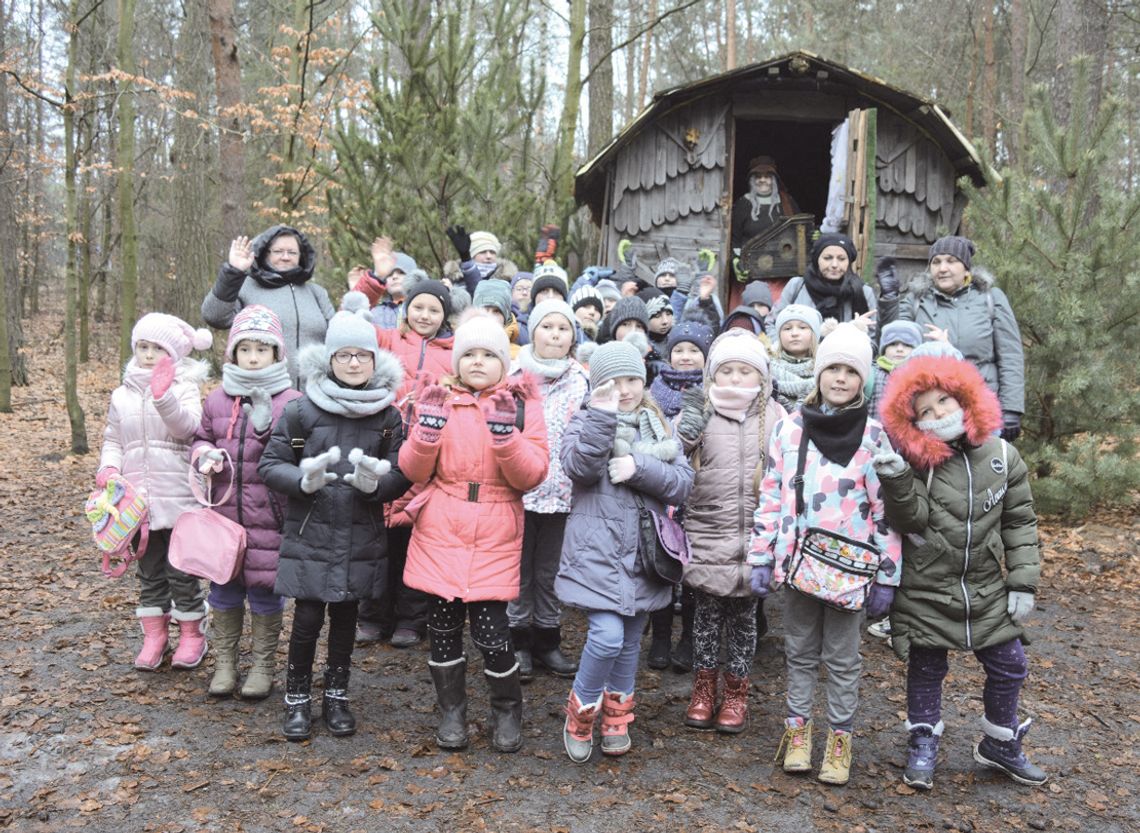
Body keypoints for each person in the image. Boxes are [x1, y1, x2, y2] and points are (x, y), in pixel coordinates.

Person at [874, 353, 1046, 789]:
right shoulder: (916, 461)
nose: (936, 416)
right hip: (927, 587)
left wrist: (1022, 579)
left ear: (964, 397)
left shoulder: (1002, 456)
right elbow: (909, 520)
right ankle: (922, 740)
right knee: (927, 667)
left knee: (1010, 665)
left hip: (986, 585)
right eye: (924, 412)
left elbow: (1019, 520)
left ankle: (999, 742)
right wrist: (895, 479)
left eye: (943, 403)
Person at [748, 322, 902, 786]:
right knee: (799, 651)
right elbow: (771, 496)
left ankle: (840, 738)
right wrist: (761, 555)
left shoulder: (874, 437)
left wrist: (887, 576)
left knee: (842, 657)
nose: (839, 378)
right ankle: (798, 733)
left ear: (863, 380)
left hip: (852, 573)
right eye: (831, 368)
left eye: (850, 371)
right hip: (799, 565)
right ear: (818, 373)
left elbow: (886, 513)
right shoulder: (791, 430)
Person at [399, 311, 550, 753]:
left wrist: (506, 438)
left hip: (495, 526)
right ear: (456, 361)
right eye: (470, 354)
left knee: (491, 630)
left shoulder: (521, 405)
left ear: (506, 362)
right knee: (442, 626)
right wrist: (425, 433)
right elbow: (412, 469)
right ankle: (453, 711)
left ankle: (506, 710)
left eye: (489, 355)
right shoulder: (438, 400)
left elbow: (532, 475)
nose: (478, 362)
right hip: (442, 524)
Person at [259, 311, 412, 741]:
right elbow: (270, 464)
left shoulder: (387, 417)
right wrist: (302, 481)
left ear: (374, 360)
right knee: (307, 620)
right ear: (329, 359)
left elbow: (402, 471)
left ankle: (337, 695)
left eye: (361, 355)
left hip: (361, 533)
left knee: (346, 620)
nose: (353, 363)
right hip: (311, 533)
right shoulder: (299, 411)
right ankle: (297, 699)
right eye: (343, 355)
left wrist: (376, 486)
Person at [556, 340, 695, 763]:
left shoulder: (657, 425)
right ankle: (581, 710)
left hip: (643, 555)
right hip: (596, 554)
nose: (626, 389)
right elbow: (579, 467)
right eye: (614, 382)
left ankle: (618, 715)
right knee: (607, 635)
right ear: (598, 387)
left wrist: (640, 467)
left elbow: (683, 482)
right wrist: (602, 417)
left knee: (631, 639)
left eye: (633, 379)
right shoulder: (583, 422)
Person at [344, 265, 466, 649]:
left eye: (434, 310)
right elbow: (350, 324)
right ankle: (371, 614)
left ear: (444, 316)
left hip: (428, 458)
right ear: (406, 308)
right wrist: (371, 281)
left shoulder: (453, 354)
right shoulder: (388, 340)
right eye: (419, 307)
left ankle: (411, 618)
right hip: (383, 448)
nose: (425, 316)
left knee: (416, 539)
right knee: (377, 540)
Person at [678, 331, 786, 733]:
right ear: (712, 375)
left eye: (746, 371)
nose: (736, 378)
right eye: (728, 371)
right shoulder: (700, 411)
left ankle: (737, 692)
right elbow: (674, 458)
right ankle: (703, 688)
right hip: (707, 530)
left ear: (761, 376)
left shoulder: (775, 417)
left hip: (757, 537)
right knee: (705, 617)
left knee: (744, 618)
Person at [192, 306, 301, 699]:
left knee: (264, 591)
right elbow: (202, 436)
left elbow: (297, 453)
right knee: (222, 589)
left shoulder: (292, 401)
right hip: (224, 516)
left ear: (277, 354)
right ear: (232, 353)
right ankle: (224, 664)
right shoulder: (218, 399)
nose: (253, 357)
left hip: (270, 517)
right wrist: (204, 455)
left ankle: (262, 666)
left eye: (262, 349)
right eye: (245, 349)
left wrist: (266, 427)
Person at [96, 313, 213, 671]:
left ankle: (192, 634)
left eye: (156, 348)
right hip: (136, 503)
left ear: (173, 354)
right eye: (142, 347)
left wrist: (164, 397)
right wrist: (109, 467)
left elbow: (188, 429)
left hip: (177, 495)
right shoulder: (122, 394)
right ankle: (155, 636)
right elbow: (114, 438)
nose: (147, 354)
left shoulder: (185, 388)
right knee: (149, 572)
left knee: (181, 570)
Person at [508, 299, 590, 682]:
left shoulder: (582, 379)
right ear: (533, 331)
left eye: (563, 328)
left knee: (550, 570)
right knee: (518, 569)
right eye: (547, 326)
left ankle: (547, 638)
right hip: (519, 489)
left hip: (564, 490)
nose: (554, 334)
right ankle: (517, 640)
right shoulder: (513, 376)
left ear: (572, 336)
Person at [886, 236, 1026, 441]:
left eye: (951, 261)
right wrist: (889, 299)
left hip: (983, 409)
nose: (942, 268)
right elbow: (892, 338)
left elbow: (1010, 355)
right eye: (936, 262)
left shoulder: (990, 298)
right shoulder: (917, 300)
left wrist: (1011, 410)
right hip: (933, 417)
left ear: (966, 268)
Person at [644, 319, 713, 672]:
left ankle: (687, 637)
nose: (686, 357)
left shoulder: (711, 394)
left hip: (697, 494)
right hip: (661, 490)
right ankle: (659, 637)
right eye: (679, 350)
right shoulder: (654, 391)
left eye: (694, 351)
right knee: (661, 565)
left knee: (690, 569)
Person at [202, 225, 335, 386]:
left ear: (301, 256)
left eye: (292, 252)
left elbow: (336, 334)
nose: (285, 257)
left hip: (315, 396)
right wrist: (233, 273)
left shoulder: (316, 292)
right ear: (265, 253)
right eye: (278, 251)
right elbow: (214, 316)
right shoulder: (245, 287)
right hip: (262, 395)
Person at [767, 233, 878, 342]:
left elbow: (873, 339)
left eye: (841, 259)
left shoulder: (862, 292)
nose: (834, 264)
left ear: (848, 262)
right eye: (828, 258)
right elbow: (772, 324)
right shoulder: (797, 286)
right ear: (817, 260)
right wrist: (784, 349)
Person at [731, 155, 799, 250]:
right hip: (750, 261)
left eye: (767, 177)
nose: (762, 180)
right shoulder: (743, 203)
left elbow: (799, 230)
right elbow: (735, 238)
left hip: (782, 260)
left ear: (773, 180)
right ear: (752, 181)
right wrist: (736, 259)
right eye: (758, 177)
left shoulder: (787, 202)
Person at [770, 304, 823, 413]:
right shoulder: (767, 369)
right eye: (787, 328)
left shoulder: (826, 368)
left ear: (814, 333)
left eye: (802, 327)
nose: (794, 333)